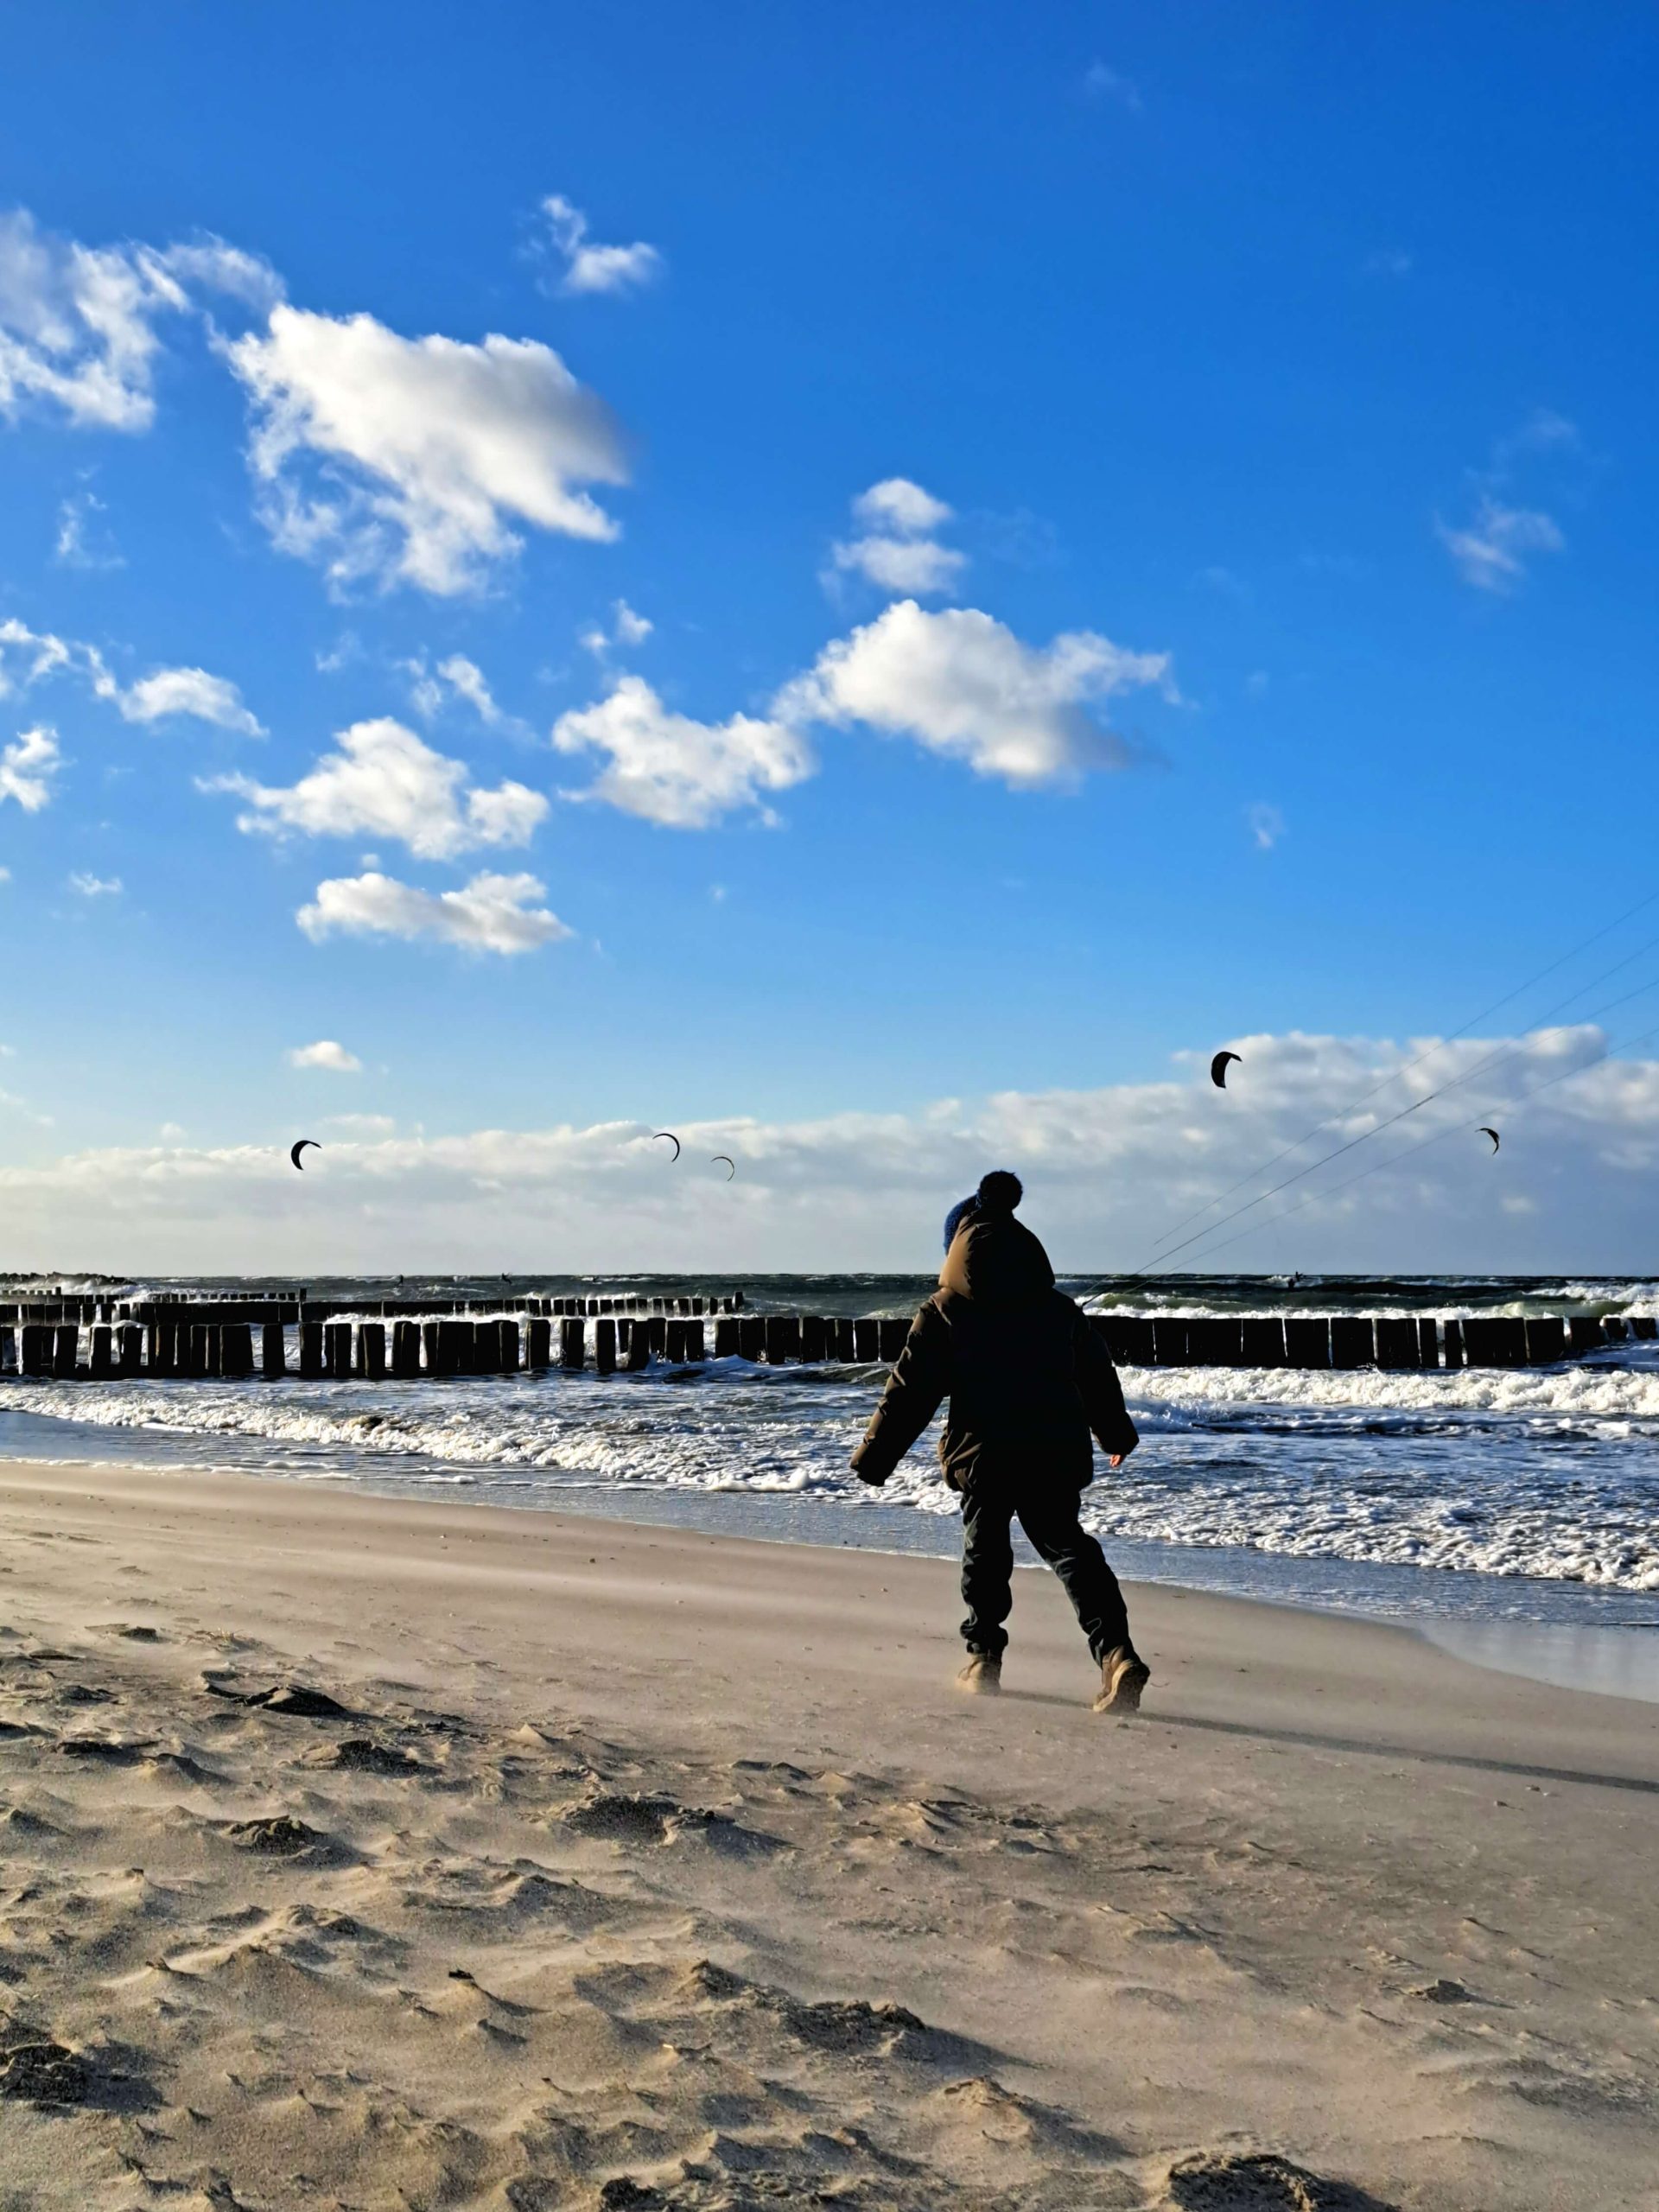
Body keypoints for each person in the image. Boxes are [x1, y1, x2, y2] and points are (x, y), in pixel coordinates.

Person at [850, 1170, 1149, 1713]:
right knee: (1069, 1549)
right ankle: (1116, 1654)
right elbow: (1096, 1373)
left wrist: (875, 1457)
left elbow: (908, 1390)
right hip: (1054, 1450)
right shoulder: (1057, 1307)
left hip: (985, 1452)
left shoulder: (945, 1310)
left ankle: (984, 1656)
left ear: (956, 1248)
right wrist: (1117, 1433)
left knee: (985, 1552)